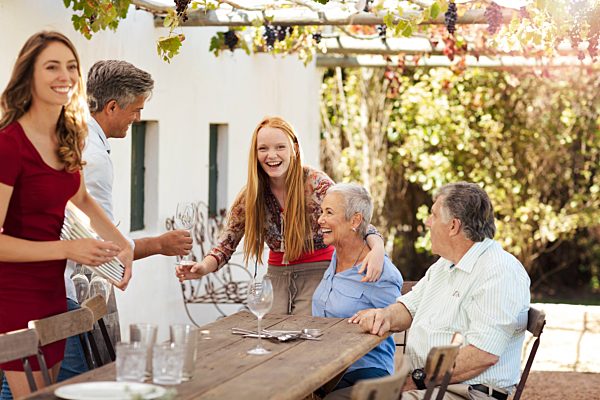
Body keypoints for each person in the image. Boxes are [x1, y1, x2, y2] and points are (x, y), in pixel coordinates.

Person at [0, 31, 133, 398]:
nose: (65, 75)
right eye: (52, 67)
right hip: (11, 298)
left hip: (51, 297)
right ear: (29, 75)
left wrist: (124, 245)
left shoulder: (66, 136)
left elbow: (82, 197)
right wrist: (67, 250)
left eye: (71, 66)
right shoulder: (9, 144)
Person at [55, 60, 193, 380]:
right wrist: (158, 244)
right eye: (136, 109)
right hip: (60, 293)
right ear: (113, 106)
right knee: (75, 382)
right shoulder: (94, 158)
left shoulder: (70, 135)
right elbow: (105, 249)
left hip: (48, 289)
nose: (138, 118)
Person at [176, 116, 385, 315]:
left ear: (293, 148)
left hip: (318, 273)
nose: (271, 155)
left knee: (305, 337)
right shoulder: (251, 195)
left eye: (280, 147)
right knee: (270, 338)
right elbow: (226, 244)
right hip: (276, 277)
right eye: (263, 148)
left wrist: (377, 250)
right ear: (255, 154)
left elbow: (357, 222)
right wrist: (202, 267)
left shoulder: (317, 184)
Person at [347, 182, 530, 400]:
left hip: (466, 392)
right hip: (428, 385)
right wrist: (384, 315)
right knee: (337, 397)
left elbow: (483, 354)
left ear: (453, 226)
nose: (427, 222)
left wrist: (417, 379)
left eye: (433, 215)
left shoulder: (499, 271)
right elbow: (409, 307)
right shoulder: (445, 265)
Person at [312, 183, 403, 396]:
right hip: (325, 370)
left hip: (363, 373)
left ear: (355, 220)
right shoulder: (337, 255)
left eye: (329, 212)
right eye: (321, 211)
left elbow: (396, 321)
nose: (320, 219)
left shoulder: (380, 272)